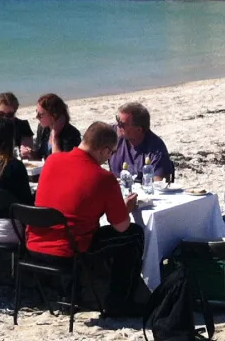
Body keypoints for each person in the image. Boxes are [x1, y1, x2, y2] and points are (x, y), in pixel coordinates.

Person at [25, 122, 146, 314]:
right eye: (112, 153)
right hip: (67, 251)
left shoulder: (52, 161)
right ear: (105, 150)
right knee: (134, 234)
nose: (110, 157)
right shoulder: (103, 178)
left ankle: (73, 292)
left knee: (75, 228)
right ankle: (119, 301)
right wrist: (126, 208)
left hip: (34, 245)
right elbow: (121, 226)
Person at [108, 102, 174, 183]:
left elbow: (160, 185)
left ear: (139, 129)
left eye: (122, 124)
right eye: (117, 119)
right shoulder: (111, 134)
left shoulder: (156, 150)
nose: (117, 125)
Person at [29, 93, 80, 161]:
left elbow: (61, 164)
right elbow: (41, 156)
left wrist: (55, 138)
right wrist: (31, 153)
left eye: (40, 115)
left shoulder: (71, 134)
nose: (36, 117)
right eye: (36, 113)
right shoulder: (42, 129)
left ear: (53, 115)